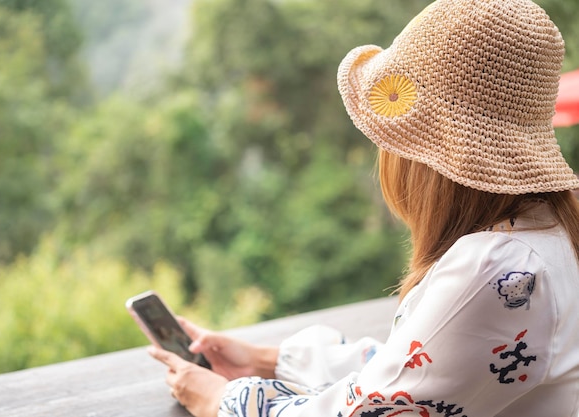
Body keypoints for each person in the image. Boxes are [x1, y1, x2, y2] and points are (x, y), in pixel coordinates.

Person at [147, 0, 579, 415]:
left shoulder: (499, 268)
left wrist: (222, 402)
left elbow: (371, 411)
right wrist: (263, 360)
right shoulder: (548, 235)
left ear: (424, 157)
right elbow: (421, 372)